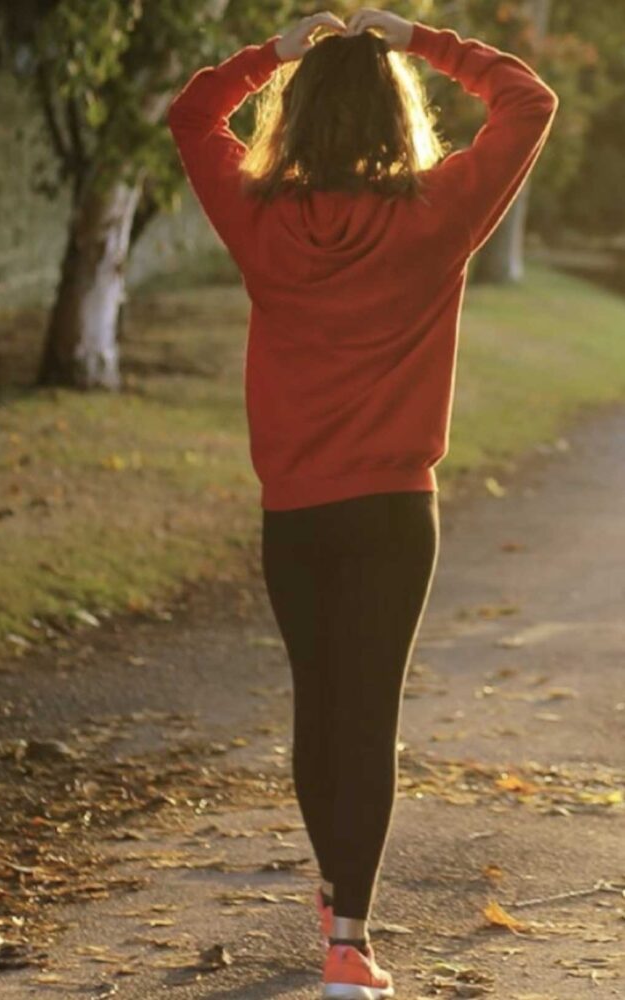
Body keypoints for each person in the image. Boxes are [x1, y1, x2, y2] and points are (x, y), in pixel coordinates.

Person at [167, 7, 559, 997]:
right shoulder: (438, 213)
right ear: (396, 117)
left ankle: (338, 892)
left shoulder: (258, 216)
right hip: (394, 513)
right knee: (368, 712)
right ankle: (349, 939)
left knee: (320, 706)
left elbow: (190, 114)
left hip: (297, 513)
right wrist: (421, 39)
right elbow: (528, 99)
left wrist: (273, 55)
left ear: (296, 121)